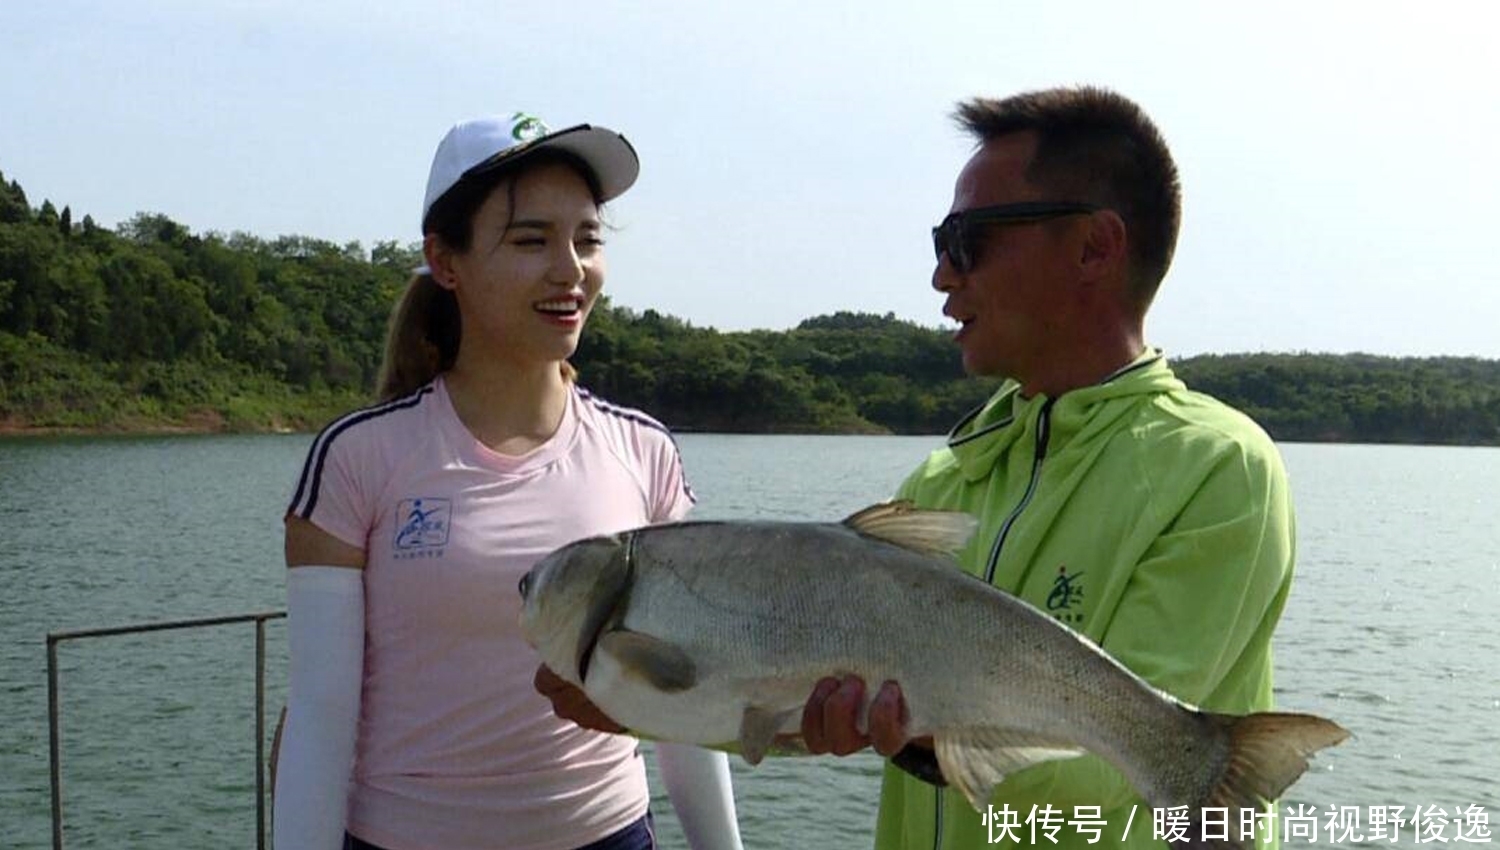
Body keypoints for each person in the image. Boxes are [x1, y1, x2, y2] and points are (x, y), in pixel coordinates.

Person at [797, 86, 1297, 849]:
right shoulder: (944, 479)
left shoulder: (1218, 469)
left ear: (1096, 247)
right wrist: (623, 681)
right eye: (940, 241)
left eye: (965, 239)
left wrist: (916, 736)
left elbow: (1114, 771)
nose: (942, 276)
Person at [274, 111, 744, 850]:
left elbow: (676, 703)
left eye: (587, 239)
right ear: (445, 260)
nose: (570, 268)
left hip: (610, 835)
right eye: (531, 240)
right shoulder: (359, 458)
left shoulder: (644, 451)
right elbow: (320, 719)